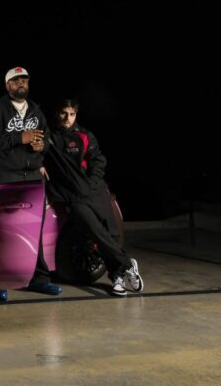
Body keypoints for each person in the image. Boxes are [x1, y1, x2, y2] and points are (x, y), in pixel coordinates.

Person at [44, 98, 144, 297]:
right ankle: (127, 265)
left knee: (110, 232)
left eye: (72, 114)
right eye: (64, 113)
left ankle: (116, 276)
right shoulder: (49, 138)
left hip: (94, 189)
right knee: (95, 231)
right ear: (57, 113)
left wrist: (90, 183)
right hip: (73, 196)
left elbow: (98, 161)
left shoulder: (85, 135)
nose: (68, 118)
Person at [0, 66, 62, 300]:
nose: (21, 84)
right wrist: (19, 138)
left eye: (24, 80)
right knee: (4, 231)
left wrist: (41, 146)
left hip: (34, 177)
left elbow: (47, 138)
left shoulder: (36, 109)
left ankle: (39, 280)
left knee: (36, 230)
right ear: (8, 86)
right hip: (8, 177)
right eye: (15, 81)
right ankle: (0, 282)